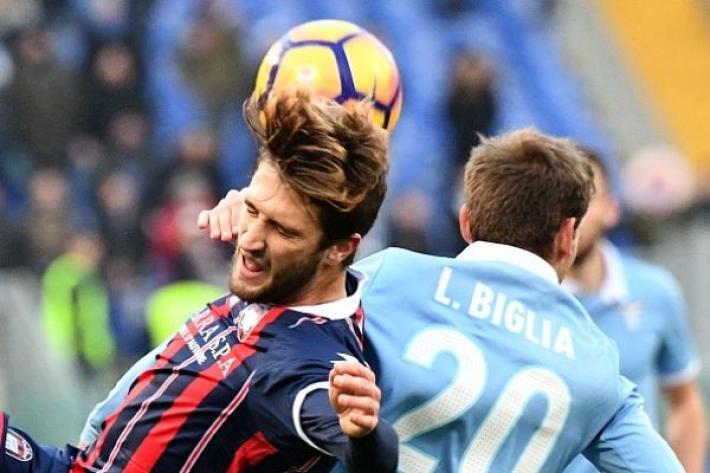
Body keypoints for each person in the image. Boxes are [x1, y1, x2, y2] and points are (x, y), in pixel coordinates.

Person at [81, 128, 684, 472]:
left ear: (466, 222)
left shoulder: (389, 278)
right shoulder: (601, 373)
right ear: (568, 237)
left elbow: (245, 330)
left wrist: (256, 212)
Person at [1, 91, 398, 473]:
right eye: (252, 210)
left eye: (282, 230)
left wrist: (363, 433)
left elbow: (370, 454)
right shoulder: (279, 282)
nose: (250, 240)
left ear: (339, 249)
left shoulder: (304, 361)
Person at [563, 148, 706, 473]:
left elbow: (685, 400)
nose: (574, 214)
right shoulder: (530, 296)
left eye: (585, 198)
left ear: (611, 209)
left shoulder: (654, 290)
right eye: (561, 200)